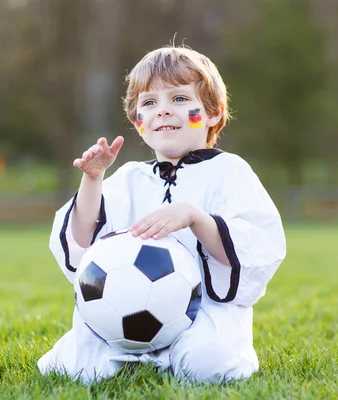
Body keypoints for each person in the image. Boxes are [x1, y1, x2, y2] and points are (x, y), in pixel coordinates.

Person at [37, 45, 286, 384]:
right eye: (150, 103)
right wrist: (92, 179)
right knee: (70, 368)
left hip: (204, 315)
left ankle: (167, 358)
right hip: (120, 311)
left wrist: (197, 218)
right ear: (137, 120)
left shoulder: (230, 172)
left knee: (209, 366)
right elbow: (81, 246)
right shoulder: (129, 178)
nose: (163, 111)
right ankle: (133, 353)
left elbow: (255, 247)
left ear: (213, 113)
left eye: (180, 99)